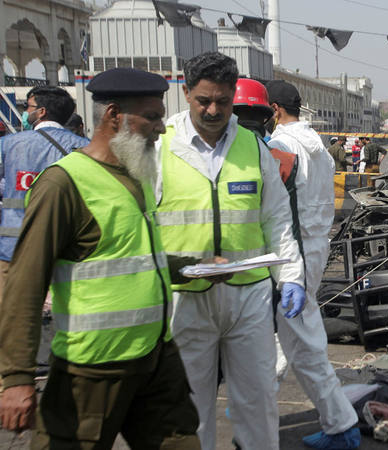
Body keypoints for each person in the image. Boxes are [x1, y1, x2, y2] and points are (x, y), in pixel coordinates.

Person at [0, 68, 204, 447]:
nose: (161, 128)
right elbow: (24, 286)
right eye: (153, 116)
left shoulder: (137, 175)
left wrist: (193, 268)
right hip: (89, 372)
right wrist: (16, 379)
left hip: (155, 358)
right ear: (114, 115)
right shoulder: (64, 184)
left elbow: (132, 258)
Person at [156, 52, 305, 450]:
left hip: (247, 296)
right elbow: (144, 225)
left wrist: (291, 276)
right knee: (189, 405)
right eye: (204, 100)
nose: (213, 109)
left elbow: (276, 219)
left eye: (223, 101)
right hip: (185, 298)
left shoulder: (251, 147)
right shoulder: (161, 146)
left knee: (257, 401)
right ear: (186, 92)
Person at [266, 79, 361, 449]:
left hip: (294, 251)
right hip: (315, 244)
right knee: (288, 333)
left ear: (274, 110)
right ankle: (259, 402)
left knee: (299, 336)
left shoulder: (281, 146)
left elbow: (273, 204)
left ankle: (339, 424)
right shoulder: (317, 145)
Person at [0, 86, 88, 316]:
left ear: (41, 112)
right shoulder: (83, 147)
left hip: (13, 248)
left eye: (28, 108)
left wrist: (14, 185)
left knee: (13, 320)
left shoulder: (9, 144)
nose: (25, 113)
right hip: (63, 249)